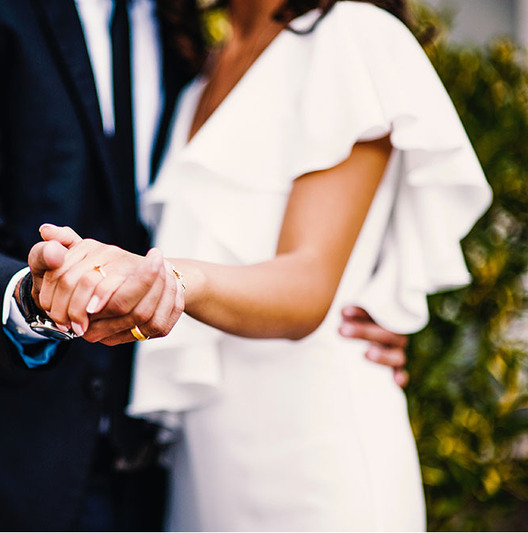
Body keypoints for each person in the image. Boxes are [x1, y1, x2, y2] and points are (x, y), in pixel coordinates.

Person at [0, 0, 412, 530]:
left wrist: (373, 307)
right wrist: (32, 298)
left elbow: (316, 267)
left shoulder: (316, 35)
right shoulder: (207, 54)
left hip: (277, 448)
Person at [30, 0, 492, 530]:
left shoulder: (351, 34)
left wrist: (168, 280)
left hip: (315, 454)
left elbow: (307, 283)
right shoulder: (200, 74)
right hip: (205, 467)